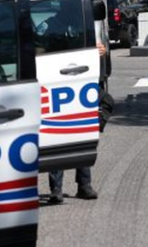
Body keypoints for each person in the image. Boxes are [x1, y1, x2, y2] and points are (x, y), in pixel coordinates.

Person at [48, 40, 106, 204]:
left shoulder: (81, 26)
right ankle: (56, 188)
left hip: (81, 81)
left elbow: (98, 48)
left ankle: (84, 184)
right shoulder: (51, 27)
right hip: (56, 81)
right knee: (57, 134)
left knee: (82, 131)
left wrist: (101, 50)